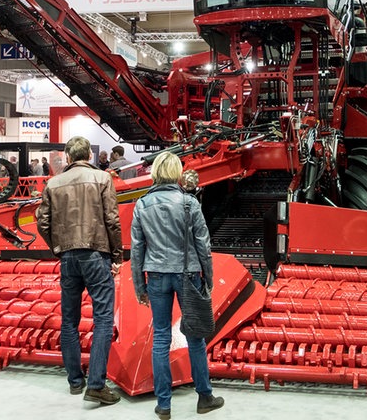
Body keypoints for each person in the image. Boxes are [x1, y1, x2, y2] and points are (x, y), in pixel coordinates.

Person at [130, 152, 225, 420]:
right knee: (195, 335)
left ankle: (163, 405)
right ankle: (205, 396)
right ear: (177, 173)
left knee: (160, 337)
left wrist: (139, 286)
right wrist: (208, 275)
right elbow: (203, 245)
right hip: (188, 274)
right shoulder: (189, 203)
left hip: (156, 275)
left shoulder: (142, 204)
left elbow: (137, 249)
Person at [35, 136, 122, 405]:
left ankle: (75, 381)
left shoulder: (53, 183)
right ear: (89, 155)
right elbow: (112, 219)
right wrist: (117, 255)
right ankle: (96, 384)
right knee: (104, 319)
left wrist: (57, 248)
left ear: (68, 157)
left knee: (69, 320)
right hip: (97, 254)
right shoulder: (102, 179)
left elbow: (42, 222)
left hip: (68, 257)